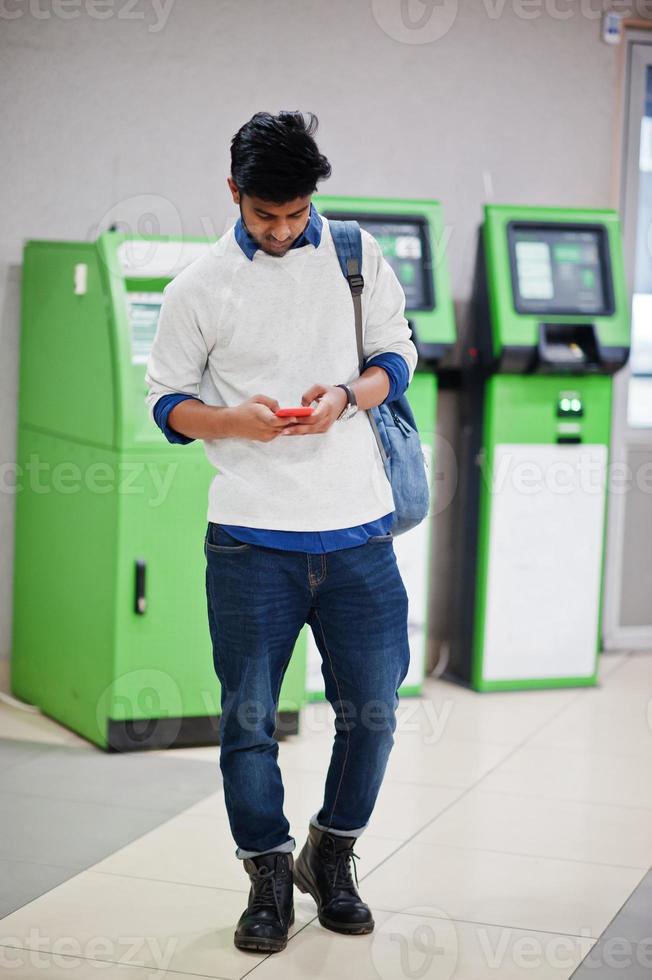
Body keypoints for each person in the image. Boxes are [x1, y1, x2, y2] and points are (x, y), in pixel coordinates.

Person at [145, 110, 417, 955]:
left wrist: (345, 396)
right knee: (249, 720)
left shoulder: (354, 255)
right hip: (250, 542)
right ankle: (267, 875)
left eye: (296, 212)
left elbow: (397, 356)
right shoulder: (199, 287)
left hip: (359, 535)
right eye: (267, 215)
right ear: (234, 195)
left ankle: (330, 855)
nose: (283, 227)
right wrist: (231, 421)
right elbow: (166, 405)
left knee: (371, 714)